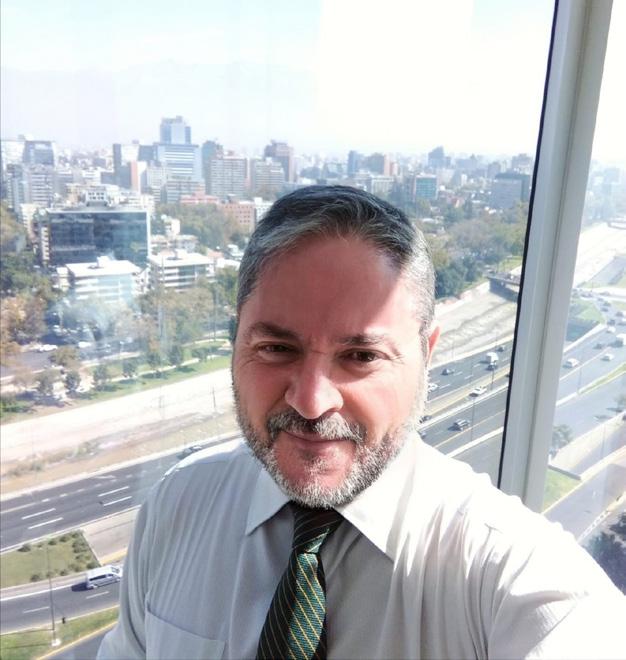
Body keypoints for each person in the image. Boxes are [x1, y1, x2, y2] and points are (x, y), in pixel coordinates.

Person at [98, 186, 625, 659]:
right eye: (276, 348)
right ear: (236, 342)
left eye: (361, 356)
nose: (311, 402)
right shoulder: (178, 506)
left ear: (427, 356)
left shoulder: (516, 578)